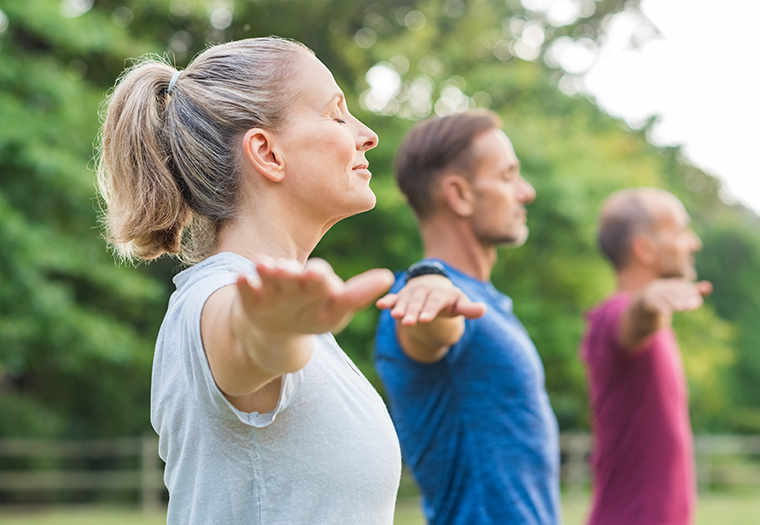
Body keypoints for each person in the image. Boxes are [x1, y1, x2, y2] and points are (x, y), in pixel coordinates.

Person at [96, 37, 402, 524]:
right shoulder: (216, 298)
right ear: (267, 152)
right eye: (336, 113)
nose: (367, 135)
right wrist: (271, 330)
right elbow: (242, 339)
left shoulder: (292, 315)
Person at [373, 110, 561, 524]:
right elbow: (431, 327)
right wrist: (429, 288)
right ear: (459, 195)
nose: (526, 192)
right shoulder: (422, 299)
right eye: (508, 176)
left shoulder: (485, 301)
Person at [580, 188, 712, 525]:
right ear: (645, 248)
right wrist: (647, 300)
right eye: (681, 230)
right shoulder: (614, 314)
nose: (693, 243)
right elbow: (634, 318)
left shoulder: (657, 328)